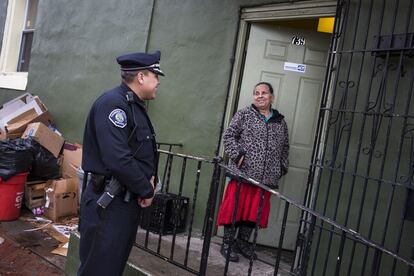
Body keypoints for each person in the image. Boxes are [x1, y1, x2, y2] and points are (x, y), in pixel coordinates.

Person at [78, 51, 164, 275]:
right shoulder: (113, 104)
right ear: (142, 77)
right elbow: (118, 159)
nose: (158, 83)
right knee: (98, 270)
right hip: (108, 204)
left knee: (111, 268)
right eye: (156, 76)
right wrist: (147, 190)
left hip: (123, 204)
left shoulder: (132, 104)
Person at [217, 82, 289, 262]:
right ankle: (227, 243)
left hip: (266, 177)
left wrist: (282, 166)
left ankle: (242, 243)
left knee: (253, 213)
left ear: (271, 96)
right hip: (243, 173)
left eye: (264, 93)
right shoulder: (244, 114)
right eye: (256, 93)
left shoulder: (280, 121)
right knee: (235, 210)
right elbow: (228, 136)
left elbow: (285, 147)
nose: (260, 96)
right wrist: (237, 156)